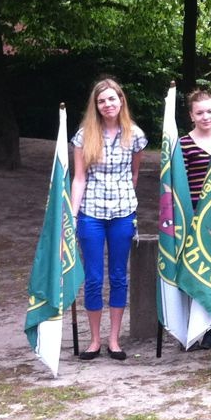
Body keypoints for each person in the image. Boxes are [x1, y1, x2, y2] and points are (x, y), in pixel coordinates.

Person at [71, 77, 148, 361]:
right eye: (101, 100)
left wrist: (126, 201)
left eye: (111, 99)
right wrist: (72, 213)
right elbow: (78, 178)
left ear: (121, 100)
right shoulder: (84, 136)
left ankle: (114, 340)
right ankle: (94, 340)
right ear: (96, 105)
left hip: (122, 213)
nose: (107, 105)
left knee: (118, 276)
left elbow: (135, 174)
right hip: (91, 214)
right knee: (93, 278)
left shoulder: (136, 135)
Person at [180, 89, 211, 350]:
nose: (205, 116)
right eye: (200, 112)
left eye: (210, 111)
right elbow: (179, 186)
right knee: (194, 272)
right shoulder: (183, 144)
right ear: (191, 115)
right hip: (192, 218)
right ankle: (190, 327)